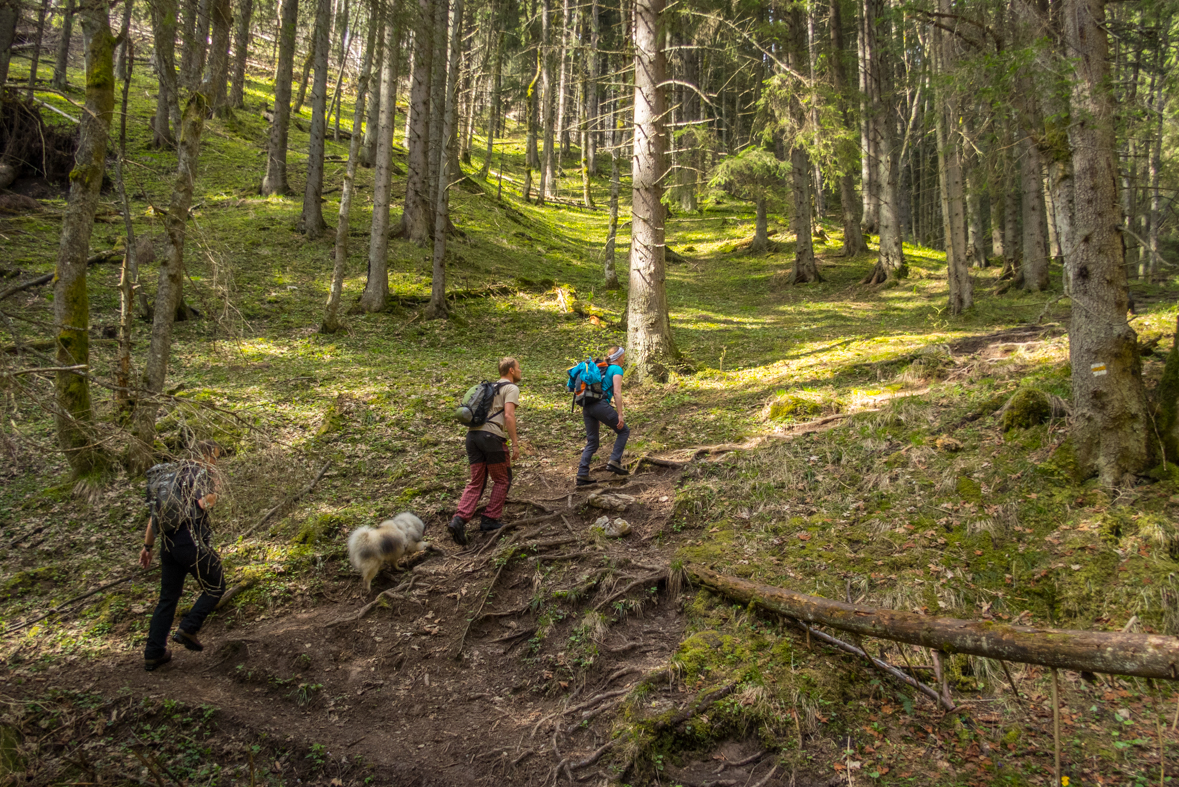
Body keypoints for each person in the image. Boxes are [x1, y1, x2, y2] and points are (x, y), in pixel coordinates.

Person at [139, 441, 227, 671]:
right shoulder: (198, 473)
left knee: (168, 598)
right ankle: (188, 628)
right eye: (215, 457)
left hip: (168, 544)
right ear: (205, 456)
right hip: (190, 539)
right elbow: (203, 502)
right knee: (216, 585)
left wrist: (148, 547)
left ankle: (153, 653)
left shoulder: (170, 475)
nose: (216, 462)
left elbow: (154, 517)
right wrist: (215, 489)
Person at [449, 357, 522, 545]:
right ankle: (489, 519)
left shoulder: (488, 388)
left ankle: (459, 519)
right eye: (519, 368)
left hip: (472, 438)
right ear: (511, 370)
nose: (520, 371)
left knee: (477, 481)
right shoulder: (511, 388)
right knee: (502, 478)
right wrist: (515, 443)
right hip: (492, 438)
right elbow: (508, 415)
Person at [577, 346, 630, 486]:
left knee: (593, 441)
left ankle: (582, 474)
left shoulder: (603, 368)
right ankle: (614, 461)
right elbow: (617, 393)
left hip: (587, 406)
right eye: (623, 356)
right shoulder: (616, 369)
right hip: (600, 405)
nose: (624, 358)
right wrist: (620, 415)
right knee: (624, 430)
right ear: (618, 357)